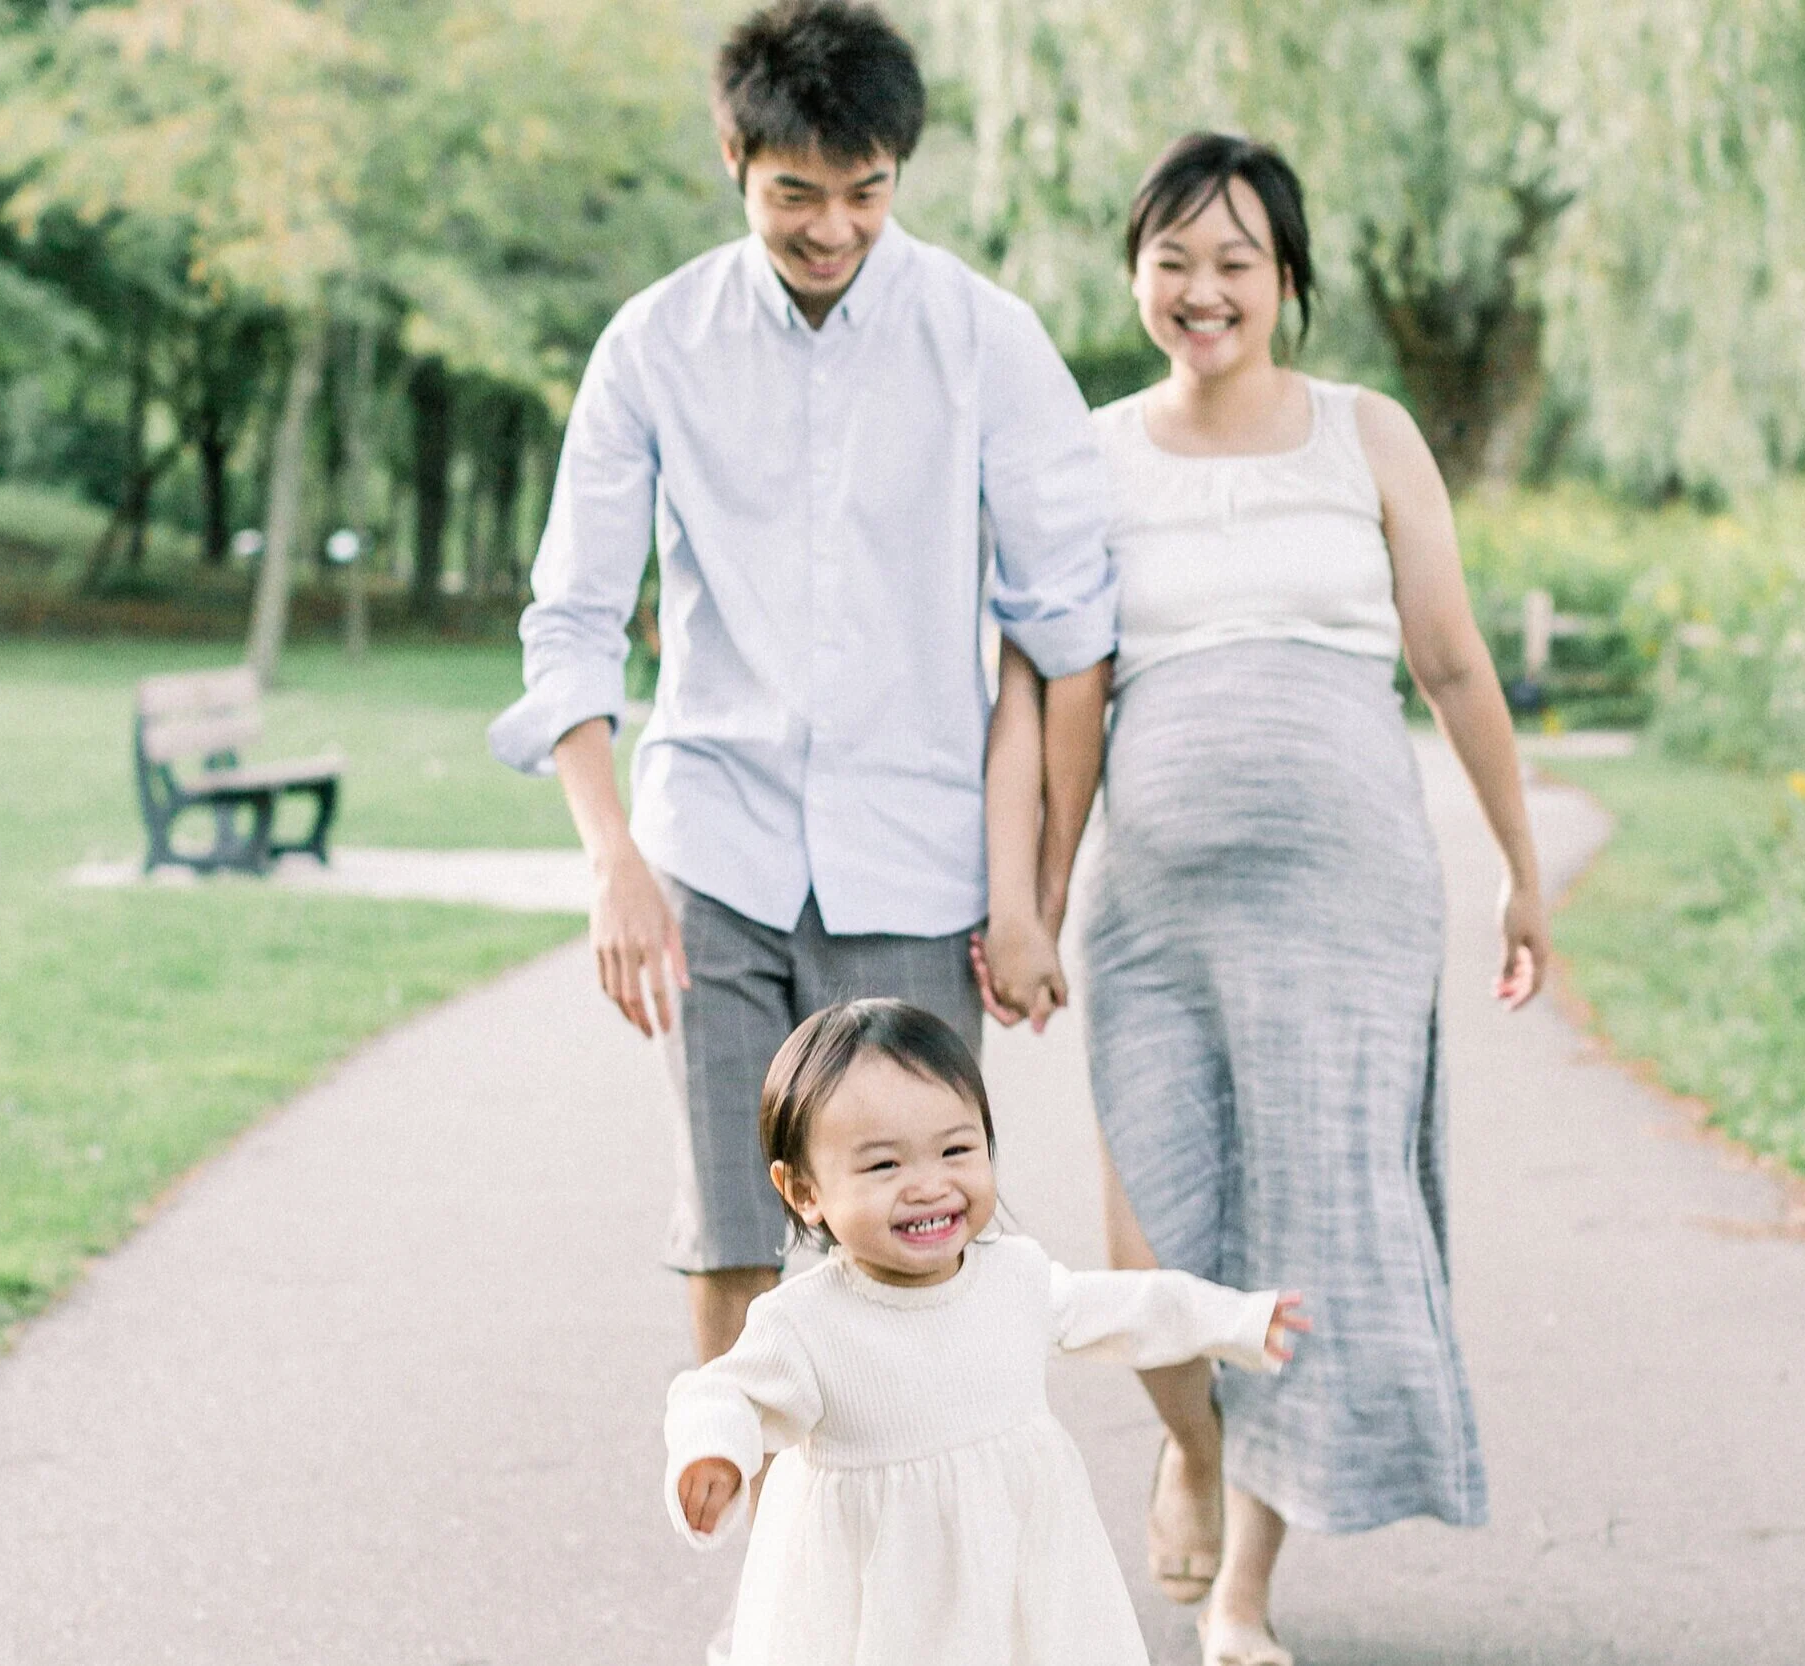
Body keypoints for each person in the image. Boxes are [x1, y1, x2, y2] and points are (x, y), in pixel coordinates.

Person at [982, 133, 1551, 1666]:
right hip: (1155, 905)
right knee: (1150, 1230)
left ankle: (1243, 1593)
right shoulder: (1087, 453)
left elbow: (1449, 661)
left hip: (1349, 901)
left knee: (1303, 1226)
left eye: (1236, 262)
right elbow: (1060, 696)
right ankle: (1194, 1438)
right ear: (1135, 277)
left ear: (1288, 281)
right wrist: (1032, 895)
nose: (1202, 290)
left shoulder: (1368, 436)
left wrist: (1518, 863)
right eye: (1173, 260)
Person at [486, 0, 1114, 1373]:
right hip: (715, 854)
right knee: (733, 1241)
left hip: (916, 866)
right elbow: (575, 621)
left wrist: (1037, 899)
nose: (832, 225)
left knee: (919, 1244)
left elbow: (1069, 633)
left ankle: (905, 1572)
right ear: (732, 158)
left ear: (898, 170)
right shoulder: (654, 343)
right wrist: (613, 860)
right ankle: (775, 1579)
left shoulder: (985, 338)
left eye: (865, 192)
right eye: (795, 195)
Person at [665, 1000, 1308, 1666]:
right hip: (882, 1594)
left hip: (1014, 1566)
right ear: (804, 1192)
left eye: (956, 1149)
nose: (929, 1184)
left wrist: (1235, 1320)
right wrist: (712, 1450)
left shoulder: (1016, 1279)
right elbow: (721, 1392)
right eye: (884, 1166)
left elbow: (1132, 1306)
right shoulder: (805, 1323)